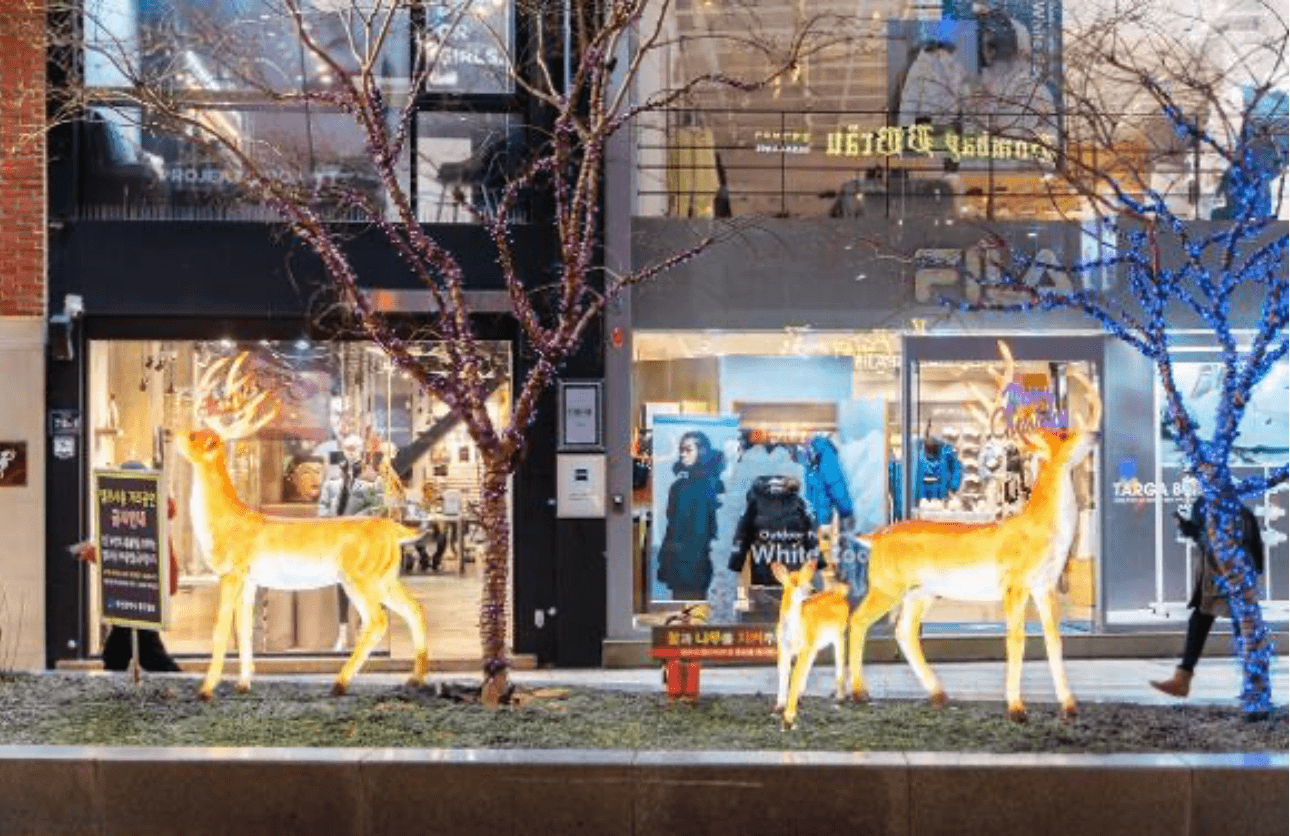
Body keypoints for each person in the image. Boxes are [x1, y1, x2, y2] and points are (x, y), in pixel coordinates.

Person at [1150, 494, 1264, 698]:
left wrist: (1189, 529)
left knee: (1230, 626)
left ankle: (1255, 688)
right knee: (1212, 622)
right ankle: (1253, 686)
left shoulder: (1209, 504)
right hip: (1227, 575)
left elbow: (1212, 540)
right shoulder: (1229, 503)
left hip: (1224, 575)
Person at [74, 461, 180, 673]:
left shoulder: (150, 514)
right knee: (119, 650)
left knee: (145, 652)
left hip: (140, 596)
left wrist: (98, 555)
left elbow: (137, 554)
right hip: (132, 596)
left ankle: (180, 685)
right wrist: (98, 554)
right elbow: (125, 550)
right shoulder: (139, 513)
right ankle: (173, 684)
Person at [318, 433, 384, 650]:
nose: (351, 451)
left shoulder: (371, 478)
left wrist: (352, 520)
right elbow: (324, 505)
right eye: (348, 447)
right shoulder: (333, 477)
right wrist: (328, 521)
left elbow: (377, 508)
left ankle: (365, 628)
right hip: (337, 540)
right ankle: (343, 632)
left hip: (359, 540)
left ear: (362, 450)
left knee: (363, 585)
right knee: (341, 586)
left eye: (355, 448)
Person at [656, 430, 725, 601]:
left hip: (703, 563)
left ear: (702, 452)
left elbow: (714, 529)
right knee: (684, 608)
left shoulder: (713, 486)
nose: (682, 454)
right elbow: (672, 527)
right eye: (681, 449)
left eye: (688, 449)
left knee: (699, 608)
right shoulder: (678, 487)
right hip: (681, 563)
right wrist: (666, 559)